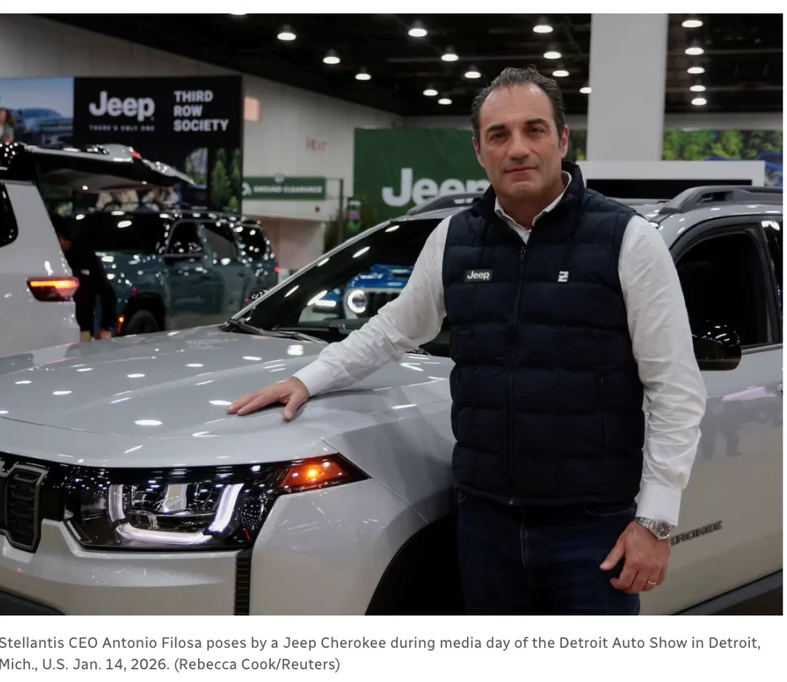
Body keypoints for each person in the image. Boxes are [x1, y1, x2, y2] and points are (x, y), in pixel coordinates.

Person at [227, 67, 708, 615]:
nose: (517, 148)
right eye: (499, 135)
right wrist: (307, 379)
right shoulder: (454, 239)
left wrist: (655, 521)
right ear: (479, 150)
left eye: (534, 129)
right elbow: (392, 329)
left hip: (592, 530)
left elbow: (675, 388)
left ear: (562, 139)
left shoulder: (626, 240)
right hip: (484, 526)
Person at [53, 217, 118, 342]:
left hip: (82, 330)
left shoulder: (85, 257)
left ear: (59, 236)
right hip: (55, 330)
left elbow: (107, 292)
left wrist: (107, 327)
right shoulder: (52, 260)